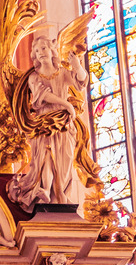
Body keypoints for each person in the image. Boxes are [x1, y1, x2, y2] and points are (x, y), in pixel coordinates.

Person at [8, 36, 87, 209]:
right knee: (44, 159)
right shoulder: (34, 77)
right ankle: (45, 192)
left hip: (64, 125)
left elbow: (80, 82)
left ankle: (61, 196)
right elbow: (42, 96)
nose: (40, 53)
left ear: (52, 51)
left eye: (43, 48)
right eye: (37, 51)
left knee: (64, 160)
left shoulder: (62, 72)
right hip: (43, 124)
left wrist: (77, 66)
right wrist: (66, 104)